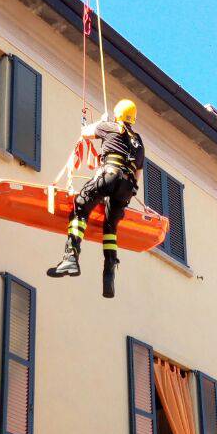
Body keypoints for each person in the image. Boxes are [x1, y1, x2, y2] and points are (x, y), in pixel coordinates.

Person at [47, 98, 144, 298]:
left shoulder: (110, 126)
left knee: (80, 207)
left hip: (109, 174)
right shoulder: (139, 141)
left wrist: (100, 122)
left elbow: (85, 133)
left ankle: (71, 257)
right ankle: (109, 271)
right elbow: (138, 174)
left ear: (117, 113)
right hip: (127, 187)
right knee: (110, 228)